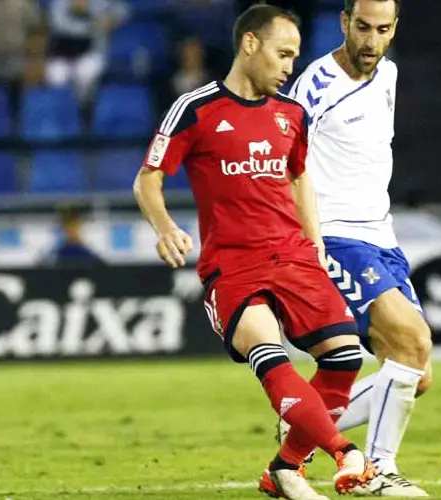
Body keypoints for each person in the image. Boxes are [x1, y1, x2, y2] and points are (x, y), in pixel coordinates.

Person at [132, 5, 375, 499]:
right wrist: (164, 227)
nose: (290, 67)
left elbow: (300, 176)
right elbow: (148, 179)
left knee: (346, 358)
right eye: (283, 54)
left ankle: (284, 469)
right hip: (234, 267)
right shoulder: (196, 109)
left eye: (295, 57)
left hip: (295, 258)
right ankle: (344, 452)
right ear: (250, 45)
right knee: (270, 354)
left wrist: (316, 239)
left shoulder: (292, 115)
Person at [281, 0, 432, 496]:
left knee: (415, 373)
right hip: (337, 237)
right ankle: (377, 470)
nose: (370, 40)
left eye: (381, 29)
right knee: (411, 344)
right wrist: (306, 241)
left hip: (380, 236)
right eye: (362, 27)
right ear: (344, 22)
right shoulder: (315, 87)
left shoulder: (387, 74)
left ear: (394, 29)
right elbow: (285, 164)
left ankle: (305, 424)